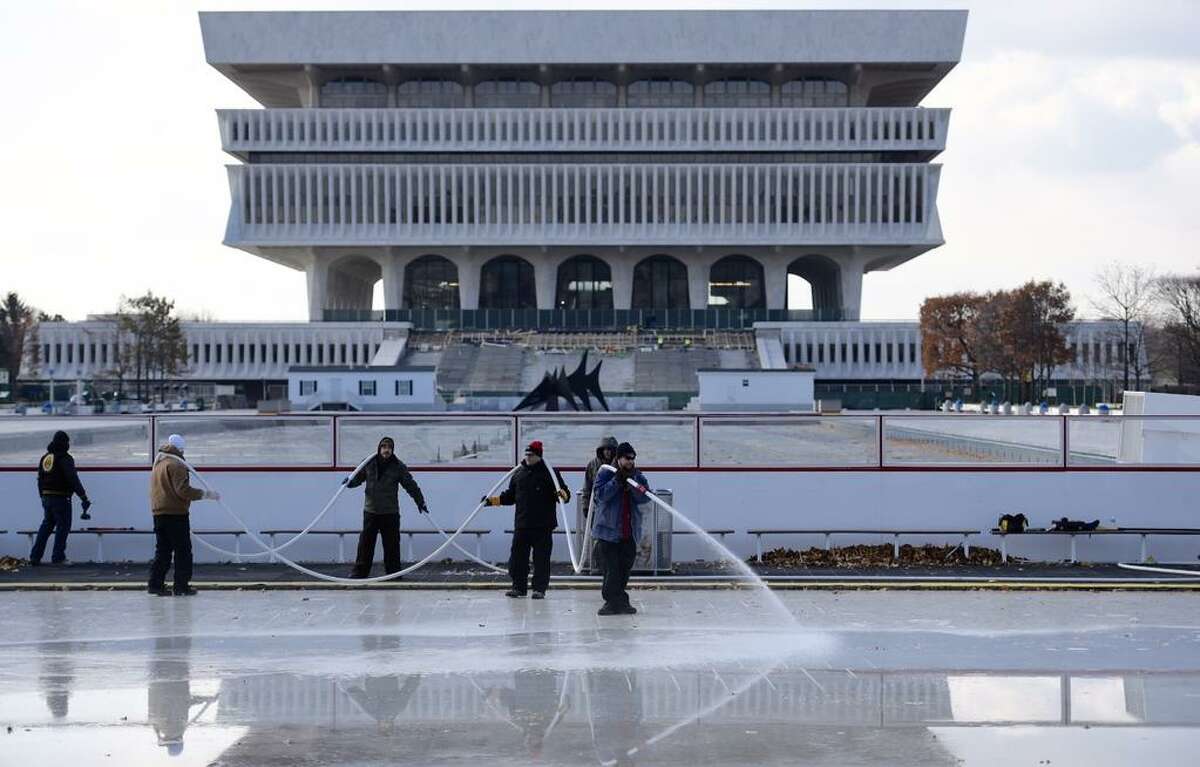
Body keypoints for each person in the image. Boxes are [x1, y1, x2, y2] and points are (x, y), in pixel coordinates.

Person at [484, 440, 569, 599]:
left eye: (531, 455)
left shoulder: (550, 473)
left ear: (539, 456)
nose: (528, 458)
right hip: (522, 524)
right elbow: (510, 496)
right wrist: (491, 501)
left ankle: (539, 589)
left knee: (541, 560)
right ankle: (518, 587)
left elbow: (564, 495)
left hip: (543, 525)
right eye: (527, 455)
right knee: (517, 559)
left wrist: (563, 495)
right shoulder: (519, 473)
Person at [344, 436, 428, 578]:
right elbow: (358, 478)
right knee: (365, 544)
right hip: (371, 511)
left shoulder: (398, 466)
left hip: (390, 513)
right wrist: (349, 482)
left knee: (392, 545)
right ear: (379, 448)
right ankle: (359, 573)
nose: (386, 450)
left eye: (389, 447)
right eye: (384, 447)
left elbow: (410, 485)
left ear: (392, 449)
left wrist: (420, 501)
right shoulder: (368, 463)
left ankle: (393, 575)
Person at [148, 434, 220, 596]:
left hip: (159, 513)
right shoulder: (177, 465)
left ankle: (155, 584)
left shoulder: (159, 463)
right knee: (183, 551)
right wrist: (206, 495)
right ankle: (181, 586)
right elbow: (183, 490)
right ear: (181, 449)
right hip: (175, 513)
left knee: (163, 551)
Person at [591, 442, 651, 616]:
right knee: (612, 570)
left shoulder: (637, 476)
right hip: (608, 532)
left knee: (624, 569)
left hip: (629, 532)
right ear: (619, 458)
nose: (631, 462)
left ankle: (620, 600)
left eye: (633, 458)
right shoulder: (605, 473)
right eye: (627, 458)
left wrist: (632, 487)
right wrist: (617, 482)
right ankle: (611, 601)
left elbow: (645, 497)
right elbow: (601, 496)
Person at [30, 430, 91, 566]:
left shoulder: (45, 458)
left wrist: (42, 496)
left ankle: (35, 556)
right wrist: (83, 496)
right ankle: (58, 557)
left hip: (46, 498)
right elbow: (72, 478)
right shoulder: (65, 458)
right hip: (61, 498)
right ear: (64, 443)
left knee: (46, 527)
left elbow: (40, 479)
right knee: (63, 527)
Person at [581, 435, 618, 519]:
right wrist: (585, 506)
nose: (607, 452)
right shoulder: (592, 465)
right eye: (605, 449)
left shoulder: (619, 465)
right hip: (596, 508)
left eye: (610, 449)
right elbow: (587, 487)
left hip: (615, 508)